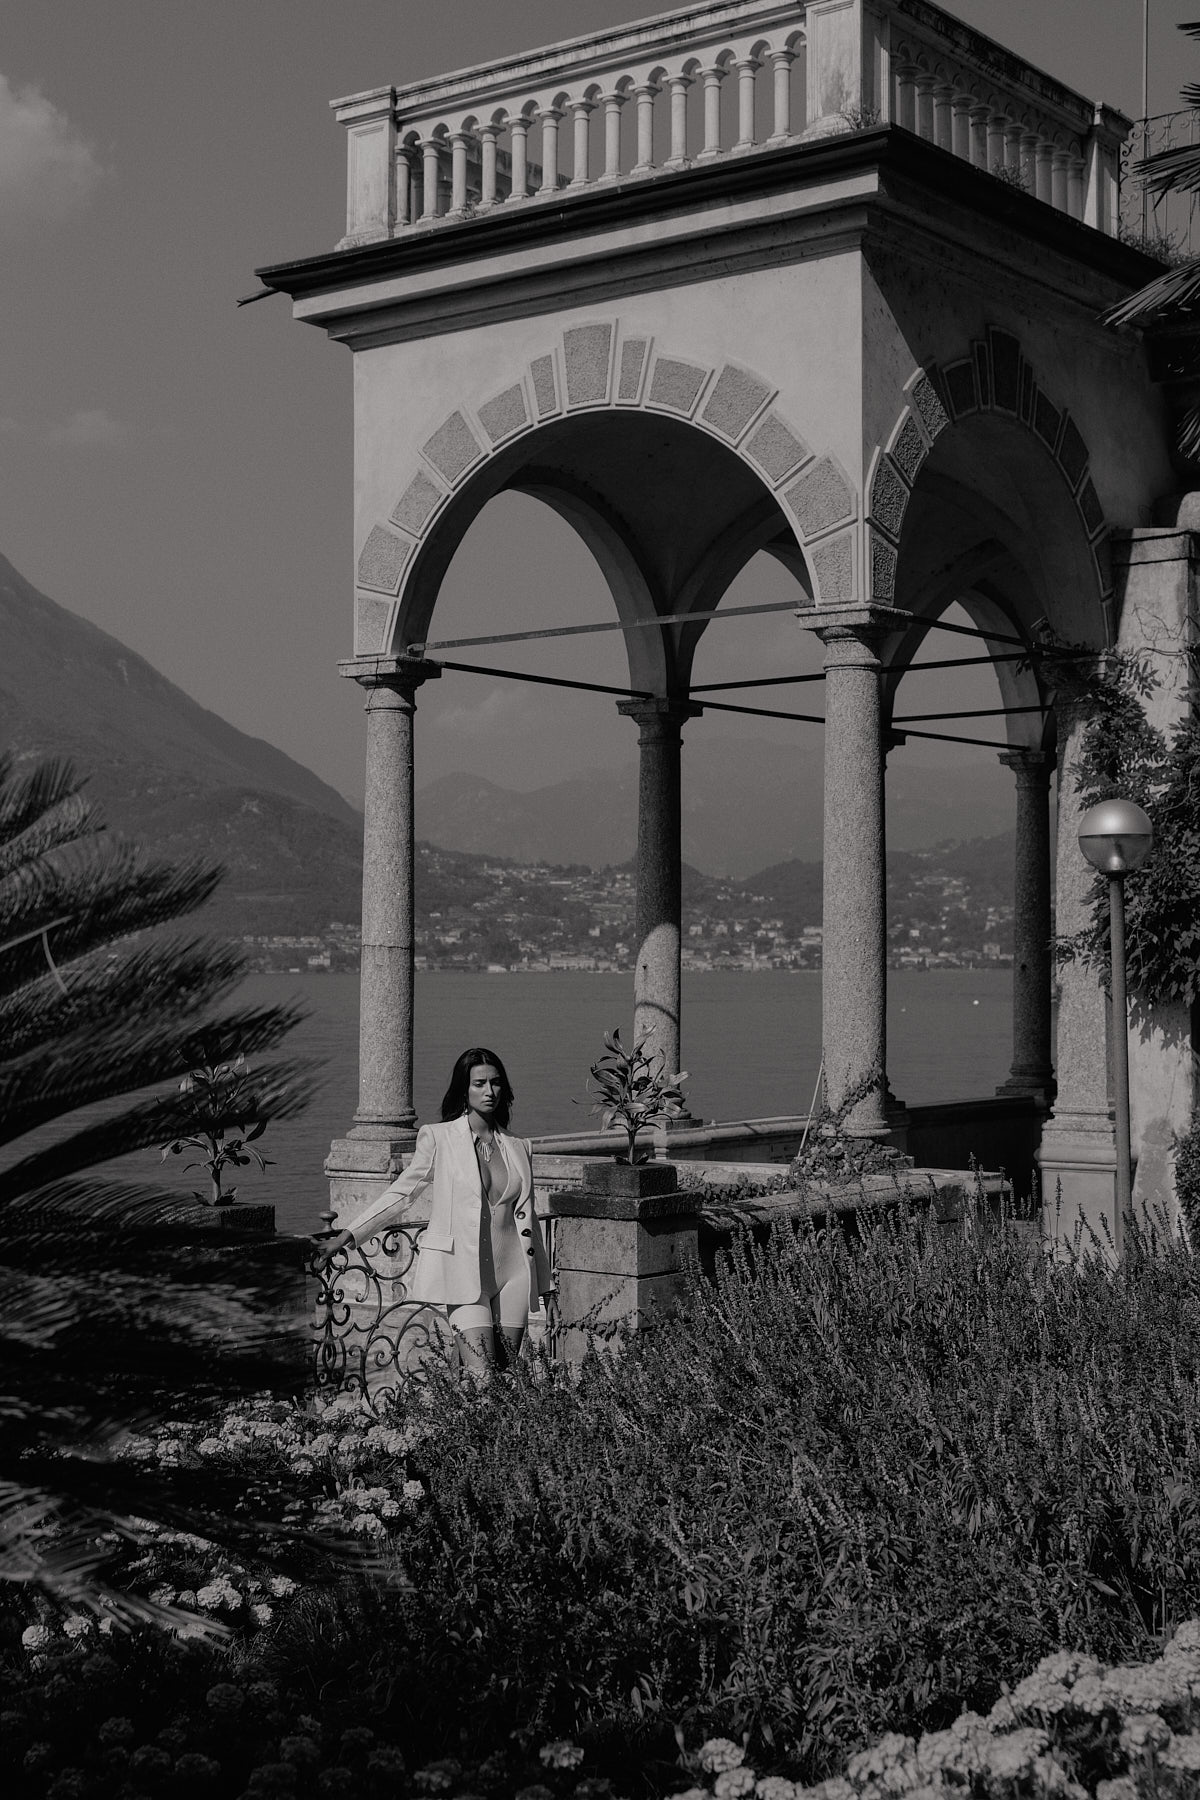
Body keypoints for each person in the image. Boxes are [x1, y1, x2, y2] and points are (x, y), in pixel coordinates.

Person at [318, 1048, 558, 1373]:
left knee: (504, 1374)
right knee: (482, 1376)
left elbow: (529, 1222)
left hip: (514, 1273)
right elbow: (403, 1192)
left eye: (496, 1082)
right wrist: (349, 1234)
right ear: (464, 1089)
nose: (489, 1091)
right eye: (479, 1084)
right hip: (464, 1272)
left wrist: (546, 1287)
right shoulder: (439, 1138)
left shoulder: (519, 1147)